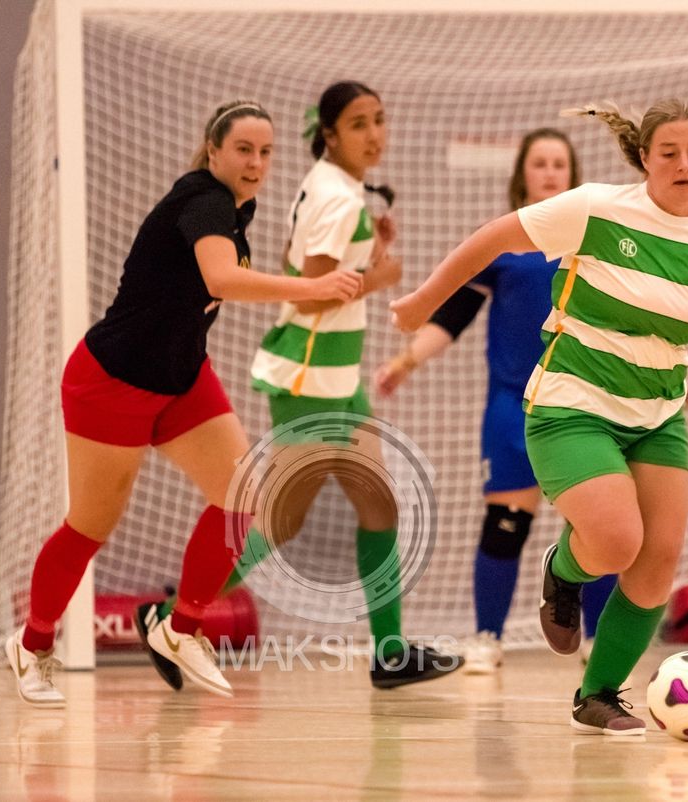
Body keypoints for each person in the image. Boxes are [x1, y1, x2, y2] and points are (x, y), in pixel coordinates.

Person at [391, 99, 688, 735]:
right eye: (668, 152)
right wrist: (424, 300)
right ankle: (561, 572)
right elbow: (491, 239)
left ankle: (598, 694)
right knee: (617, 540)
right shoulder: (595, 208)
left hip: (658, 416)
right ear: (644, 158)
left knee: (659, 559)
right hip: (572, 405)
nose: (683, 163)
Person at [6, 100, 362, 707]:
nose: (255, 162)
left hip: (181, 376)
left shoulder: (236, 208)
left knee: (243, 492)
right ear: (213, 148)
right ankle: (33, 645)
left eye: (266, 151)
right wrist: (313, 285)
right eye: (243, 149)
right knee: (91, 526)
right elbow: (221, 280)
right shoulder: (205, 200)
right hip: (112, 380)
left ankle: (182, 628)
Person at [140, 81, 461, 690]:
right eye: (360, 123)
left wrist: (371, 254)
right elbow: (313, 294)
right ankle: (171, 616)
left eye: (380, 120)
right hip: (312, 375)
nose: (375, 134)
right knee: (279, 521)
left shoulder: (331, 185)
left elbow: (296, 259)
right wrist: (382, 275)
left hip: (338, 375)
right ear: (330, 133)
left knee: (378, 505)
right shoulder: (340, 198)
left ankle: (390, 651)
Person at [374, 129, 617, 675]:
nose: (551, 171)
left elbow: (622, 325)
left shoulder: (593, 246)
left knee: (601, 524)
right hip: (513, 406)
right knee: (506, 522)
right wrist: (405, 361)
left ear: (572, 174)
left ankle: (599, 639)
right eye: (540, 163)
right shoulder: (503, 247)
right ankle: (487, 638)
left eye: (560, 163)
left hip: (585, 403)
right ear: (523, 175)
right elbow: (452, 319)